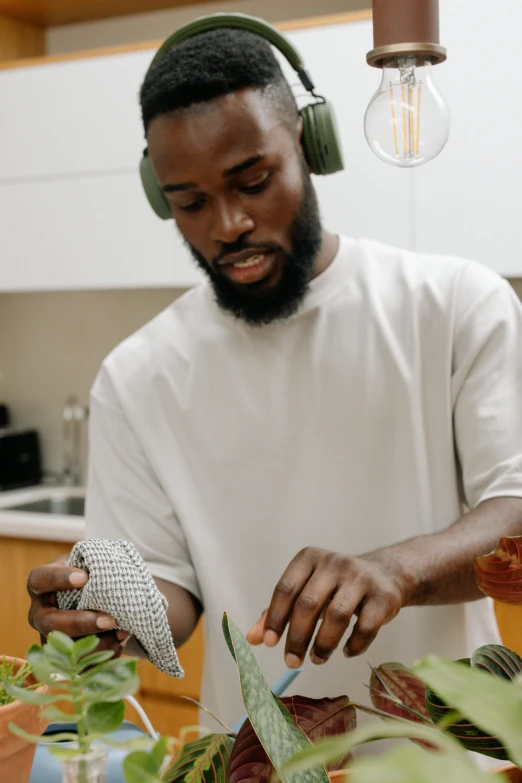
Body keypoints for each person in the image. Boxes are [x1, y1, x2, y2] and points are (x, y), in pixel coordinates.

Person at [27, 24, 522, 730]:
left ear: (310, 148)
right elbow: (169, 596)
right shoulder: (138, 376)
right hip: (257, 764)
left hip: (450, 763)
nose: (227, 224)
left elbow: (516, 511)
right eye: (190, 203)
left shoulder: (455, 306)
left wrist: (395, 570)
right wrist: (105, 616)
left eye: (253, 181)